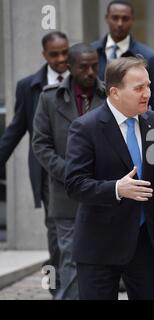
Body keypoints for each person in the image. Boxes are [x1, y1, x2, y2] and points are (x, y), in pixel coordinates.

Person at [64, 57, 154, 300]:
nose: (148, 93)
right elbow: (75, 185)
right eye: (139, 88)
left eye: (148, 85)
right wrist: (117, 189)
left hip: (148, 243)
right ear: (114, 92)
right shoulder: (86, 127)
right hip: (100, 245)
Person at [32, 43, 106, 300]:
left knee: (103, 265)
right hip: (66, 197)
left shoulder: (109, 95)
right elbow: (40, 144)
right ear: (69, 67)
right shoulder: (49, 98)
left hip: (104, 195)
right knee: (71, 262)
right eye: (83, 66)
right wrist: (70, 173)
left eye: (94, 65)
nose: (90, 71)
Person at [0, 31, 70, 297]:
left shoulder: (81, 79)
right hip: (47, 173)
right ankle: (59, 288)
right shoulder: (29, 86)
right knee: (56, 233)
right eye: (55, 54)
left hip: (81, 171)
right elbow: (16, 129)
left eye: (65, 52)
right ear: (45, 56)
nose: (61, 59)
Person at [92, 0, 154, 114]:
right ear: (107, 18)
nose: (120, 23)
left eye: (125, 19)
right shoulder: (92, 52)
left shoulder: (148, 56)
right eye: (115, 18)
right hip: (97, 122)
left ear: (132, 20)